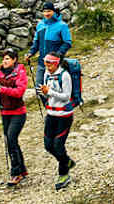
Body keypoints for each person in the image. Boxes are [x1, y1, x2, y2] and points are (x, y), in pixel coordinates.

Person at [0, 50, 28, 187]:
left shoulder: (20, 72)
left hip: (18, 112)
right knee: (11, 141)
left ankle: (15, 173)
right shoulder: (1, 73)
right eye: (4, 59)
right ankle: (22, 170)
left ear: (14, 60)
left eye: (8, 59)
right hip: (5, 112)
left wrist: (2, 89)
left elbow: (19, 92)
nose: (4, 61)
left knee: (11, 139)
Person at [35, 52, 76, 190]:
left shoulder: (65, 75)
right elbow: (47, 92)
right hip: (51, 114)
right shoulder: (47, 74)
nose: (47, 65)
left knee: (58, 145)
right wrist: (42, 92)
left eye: (49, 63)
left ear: (56, 63)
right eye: (45, 62)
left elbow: (66, 96)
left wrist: (49, 92)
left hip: (64, 115)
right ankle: (67, 161)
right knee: (48, 145)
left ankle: (63, 174)